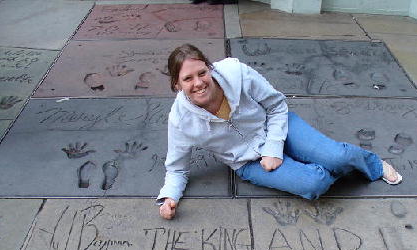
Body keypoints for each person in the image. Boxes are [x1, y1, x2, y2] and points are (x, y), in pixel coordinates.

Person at [158, 44, 402, 220]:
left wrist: (274, 148)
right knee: (314, 184)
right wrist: (170, 197)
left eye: (202, 72)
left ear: (209, 68)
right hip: (248, 161)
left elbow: (276, 105)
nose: (198, 83)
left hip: (278, 125)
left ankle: (373, 164)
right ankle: (326, 164)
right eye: (188, 79)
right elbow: (177, 167)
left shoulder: (236, 73)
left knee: (337, 157)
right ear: (177, 85)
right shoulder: (180, 120)